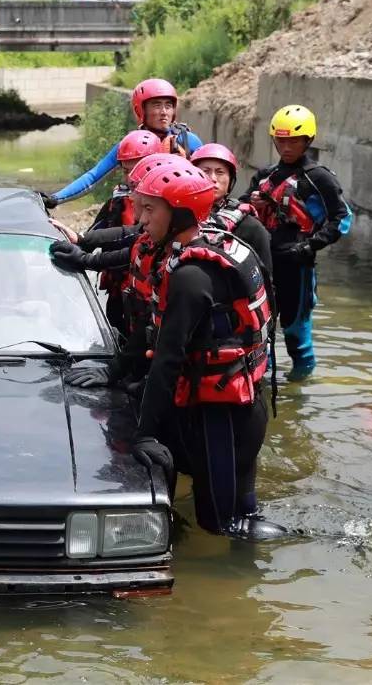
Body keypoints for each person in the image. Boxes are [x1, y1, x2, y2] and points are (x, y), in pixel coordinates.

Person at [127, 159, 283, 540]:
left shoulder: (191, 277)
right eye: (139, 206)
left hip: (220, 420)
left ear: (179, 212)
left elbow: (167, 361)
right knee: (237, 510)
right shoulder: (216, 244)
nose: (141, 218)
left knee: (221, 526)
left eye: (150, 209)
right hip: (241, 409)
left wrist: (145, 434)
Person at [51, 152, 180, 392]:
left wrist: (118, 369)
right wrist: (86, 255)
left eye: (148, 207)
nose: (140, 217)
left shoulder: (187, 268)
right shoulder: (159, 242)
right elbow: (130, 242)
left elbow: (161, 332)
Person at [243, 105, 351, 382]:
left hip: (297, 266)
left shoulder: (319, 178)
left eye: (293, 140)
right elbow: (241, 208)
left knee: (295, 328)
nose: (286, 146)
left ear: (307, 140)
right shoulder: (265, 176)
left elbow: (342, 218)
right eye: (281, 140)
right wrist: (251, 202)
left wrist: (311, 246)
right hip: (263, 263)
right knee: (260, 325)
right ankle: (261, 381)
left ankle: (300, 385)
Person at [44, 78, 204, 208]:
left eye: (168, 106)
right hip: (142, 214)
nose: (164, 112)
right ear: (141, 110)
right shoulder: (131, 145)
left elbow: (210, 178)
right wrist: (56, 198)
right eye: (156, 105)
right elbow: (93, 177)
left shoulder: (188, 140)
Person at [191, 143, 273, 277]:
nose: (213, 178)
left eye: (220, 172)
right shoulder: (180, 217)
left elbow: (265, 279)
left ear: (231, 180)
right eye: (205, 171)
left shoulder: (250, 227)